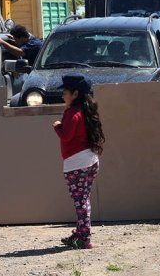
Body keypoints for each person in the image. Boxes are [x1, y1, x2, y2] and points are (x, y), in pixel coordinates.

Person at [53, 74, 105, 249]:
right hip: (90, 160)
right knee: (84, 199)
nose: (63, 96)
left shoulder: (71, 113)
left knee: (80, 201)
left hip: (76, 164)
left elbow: (66, 136)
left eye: (65, 92)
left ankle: (85, 238)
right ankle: (81, 233)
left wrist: (57, 126)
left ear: (74, 94)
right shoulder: (86, 110)